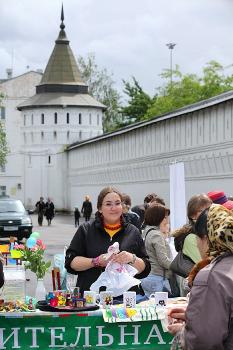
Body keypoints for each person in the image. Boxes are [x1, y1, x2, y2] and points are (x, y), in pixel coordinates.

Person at [168, 204, 233, 350]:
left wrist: (183, 333)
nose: (197, 245)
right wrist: (196, 317)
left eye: (197, 238)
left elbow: (203, 340)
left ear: (206, 238)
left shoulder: (211, 275)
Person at [65, 186, 151, 296]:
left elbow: (145, 268)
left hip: (125, 299)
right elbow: (71, 262)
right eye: (108, 204)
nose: (114, 208)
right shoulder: (86, 230)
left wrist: (131, 258)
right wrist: (96, 261)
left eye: (117, 203)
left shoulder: (133, 231)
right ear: (100, 208)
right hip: (92, 297)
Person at [171, 194, 212, 296]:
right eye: (203, 211)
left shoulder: (206, 233)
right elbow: (205, 264)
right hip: (195, 288)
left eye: (210, 210)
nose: (209, 214)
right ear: (193, 216)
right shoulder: (192, 238)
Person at [140, 203, 172, 298]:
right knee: (161, 310)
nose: (167, 219)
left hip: (149, 277)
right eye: (165, 217)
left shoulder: (147, 232)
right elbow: (163, 260)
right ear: (158, 217)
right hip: (157, 279)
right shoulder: (156, 235)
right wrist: (177, 266)